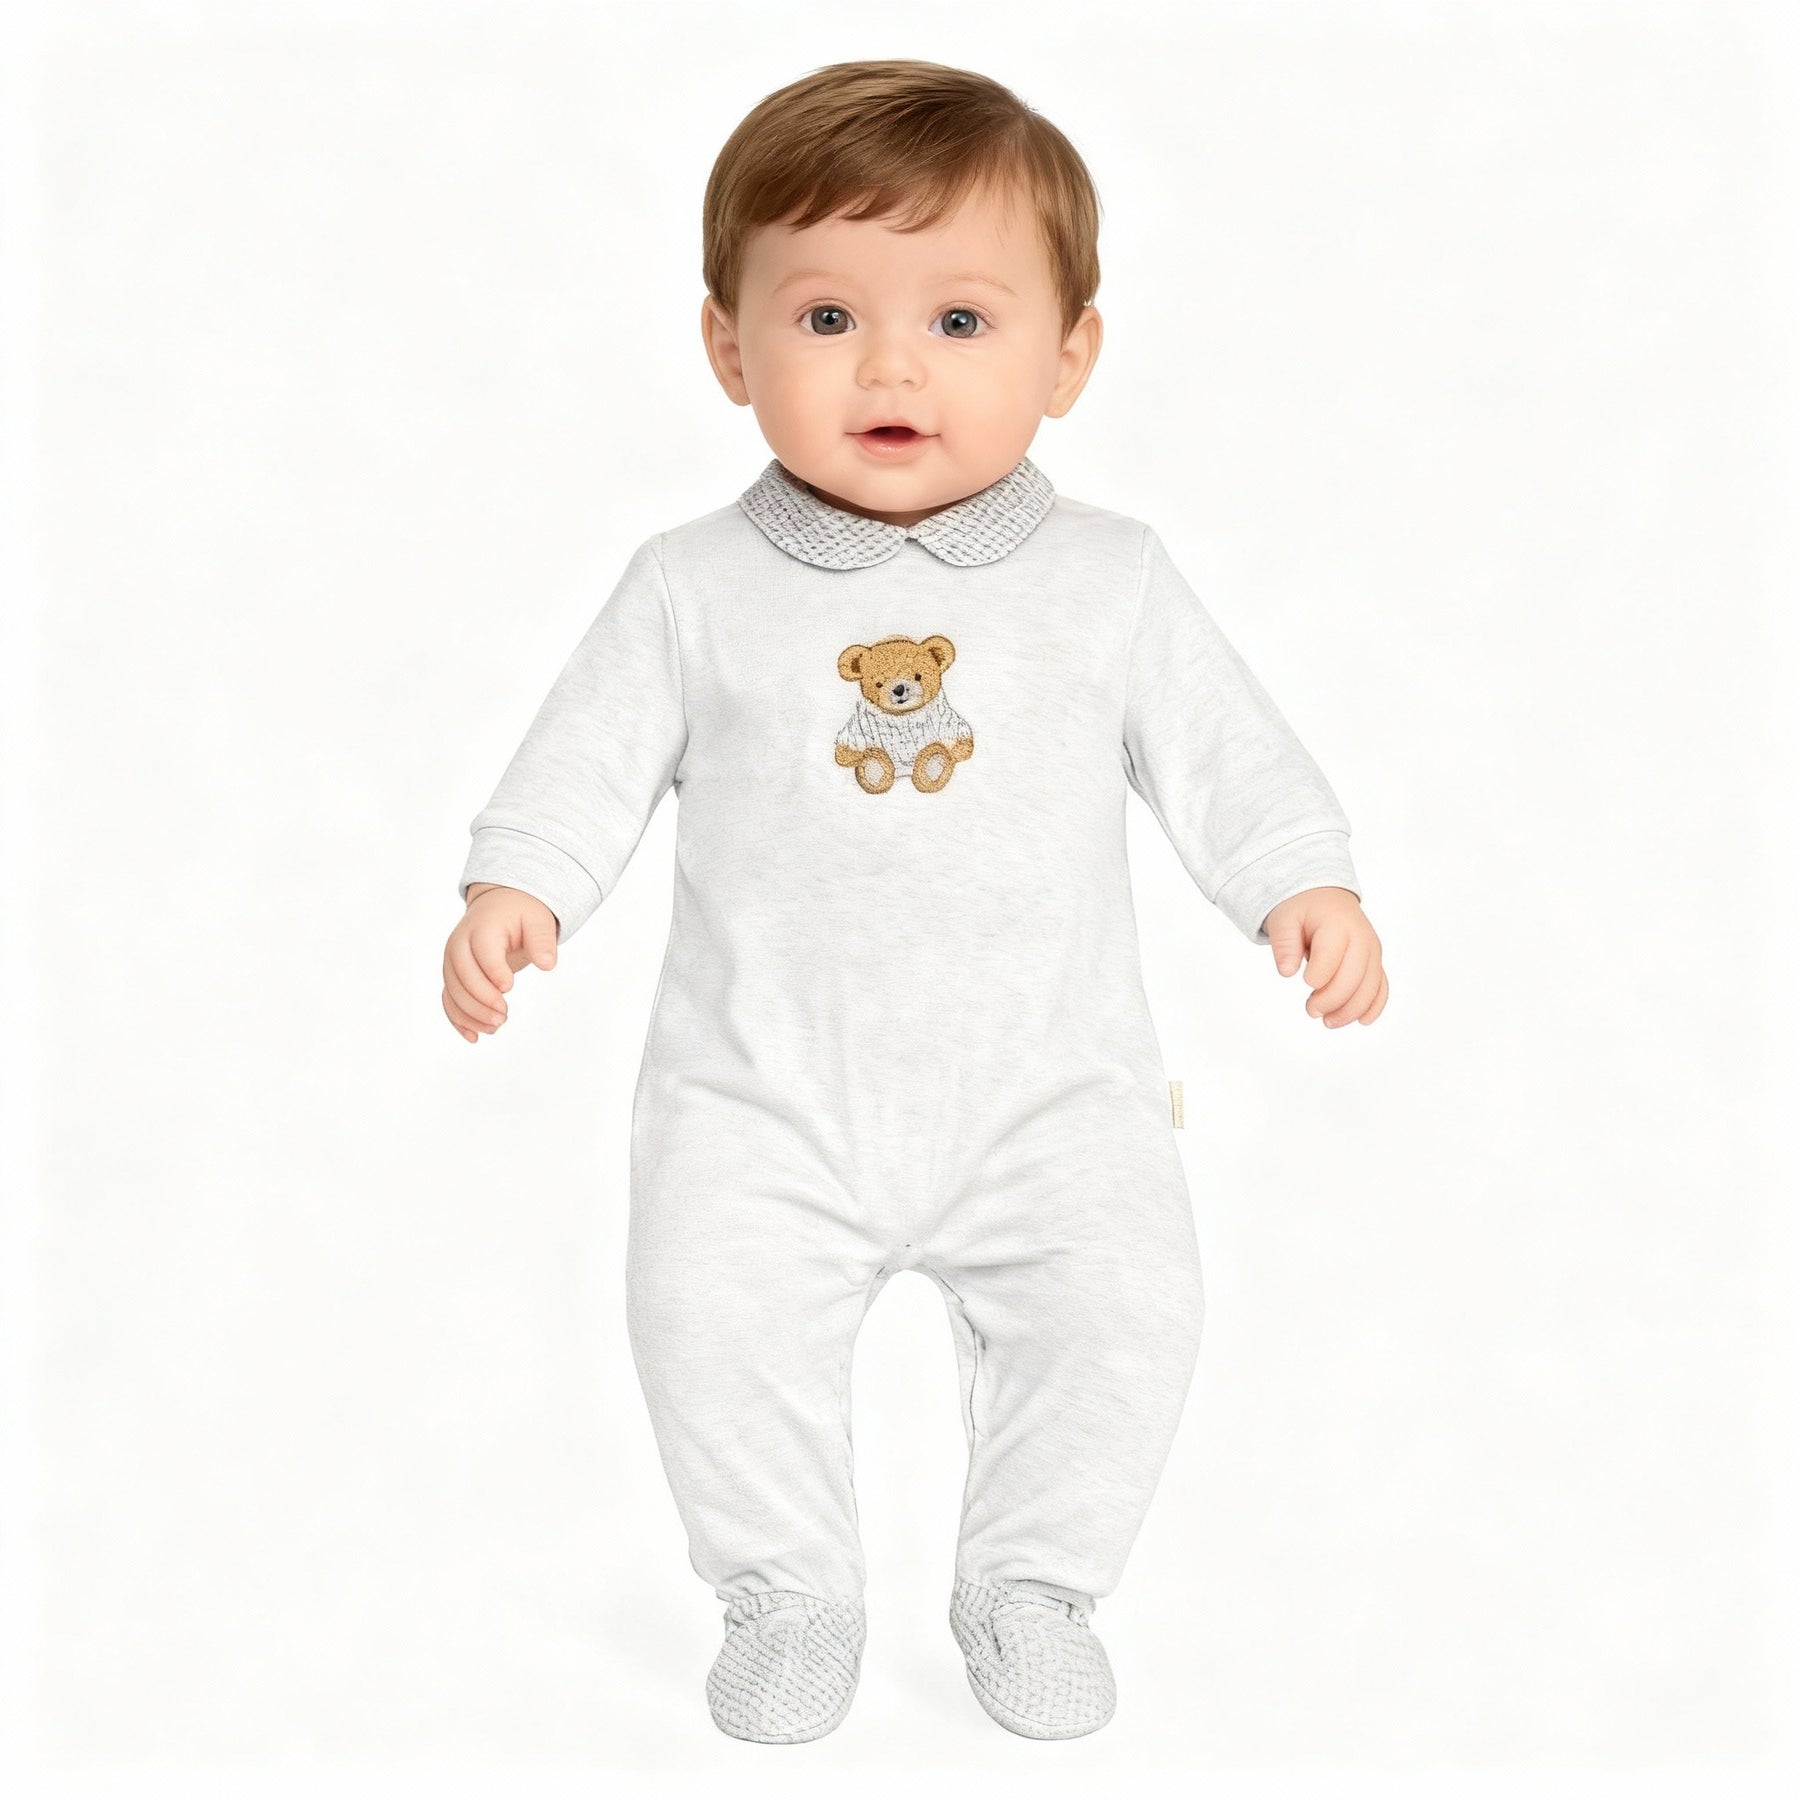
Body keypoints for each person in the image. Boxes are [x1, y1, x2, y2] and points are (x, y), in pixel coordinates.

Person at [441, 58, 1388, 1745]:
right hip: (760, 1100)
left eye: (959, 321)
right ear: (728, 346)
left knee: (1128, 1315)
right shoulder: (692, 587)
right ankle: (788, 1590)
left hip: (1053, 1097)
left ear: (1068, 356)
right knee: (707, 1323)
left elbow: (1229, 753)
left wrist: (1299, 880)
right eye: (826, 318)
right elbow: (584, 759)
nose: (890, 366)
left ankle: (1034, 1582)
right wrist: (522, 883)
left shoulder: (1108, 580)